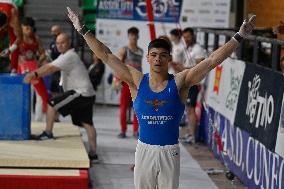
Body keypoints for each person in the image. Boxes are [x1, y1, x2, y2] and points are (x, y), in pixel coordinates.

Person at [67, 7, 255, 189]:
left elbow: (212, 60)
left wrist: (238, 37)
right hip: (144, 151)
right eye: (154, 55)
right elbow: (106, 55)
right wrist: (82, 30)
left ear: (168, 59)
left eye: (163, 56)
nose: (158, 59)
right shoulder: (136, 80)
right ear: (147, 58)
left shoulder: (181, 82)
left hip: (169, 152)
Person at [23, 33, 98, 163]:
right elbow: (51, 66)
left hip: (80, 92)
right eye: (57, 43)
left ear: (69, 42)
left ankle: (48, 133)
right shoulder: (66, 56)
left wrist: (33, 74)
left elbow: (50, 68)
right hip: (87, 94)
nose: (59, 45)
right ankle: (93, 154)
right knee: (87, 123)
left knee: (52, 104)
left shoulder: (69, 56)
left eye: (62, 42)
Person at [18, 17, 48, 121]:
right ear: (22, 27)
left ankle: (38, 119)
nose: (29, 31)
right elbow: (12, 55)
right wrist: (19, 61)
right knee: (27, 95)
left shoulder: (36, 38)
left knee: (39, 95)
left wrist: (39, 61)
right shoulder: (18, 39)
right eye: (27, 28)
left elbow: (43, 53)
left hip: (34, 70)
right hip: (22, 71)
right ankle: (27, 118)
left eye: (30, 29)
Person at [116, 27, 143, 138]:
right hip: (126, 83)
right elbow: (118, 66)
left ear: (138, 36)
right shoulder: (124, 50)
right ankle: (123, 130)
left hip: (137, 83)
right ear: (128, 36)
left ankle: (136, 131)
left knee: (137, 108)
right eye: (132, 35)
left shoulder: (141, 51)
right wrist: (117, 80)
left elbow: (139, 67)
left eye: (135, 35)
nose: (134, 37)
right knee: (124, 107)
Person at [0, 0, 22, 73]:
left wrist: (10, 50)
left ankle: (14, 69)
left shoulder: (13, 16)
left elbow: (20, 37)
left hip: (10, 7)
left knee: (14, 39)